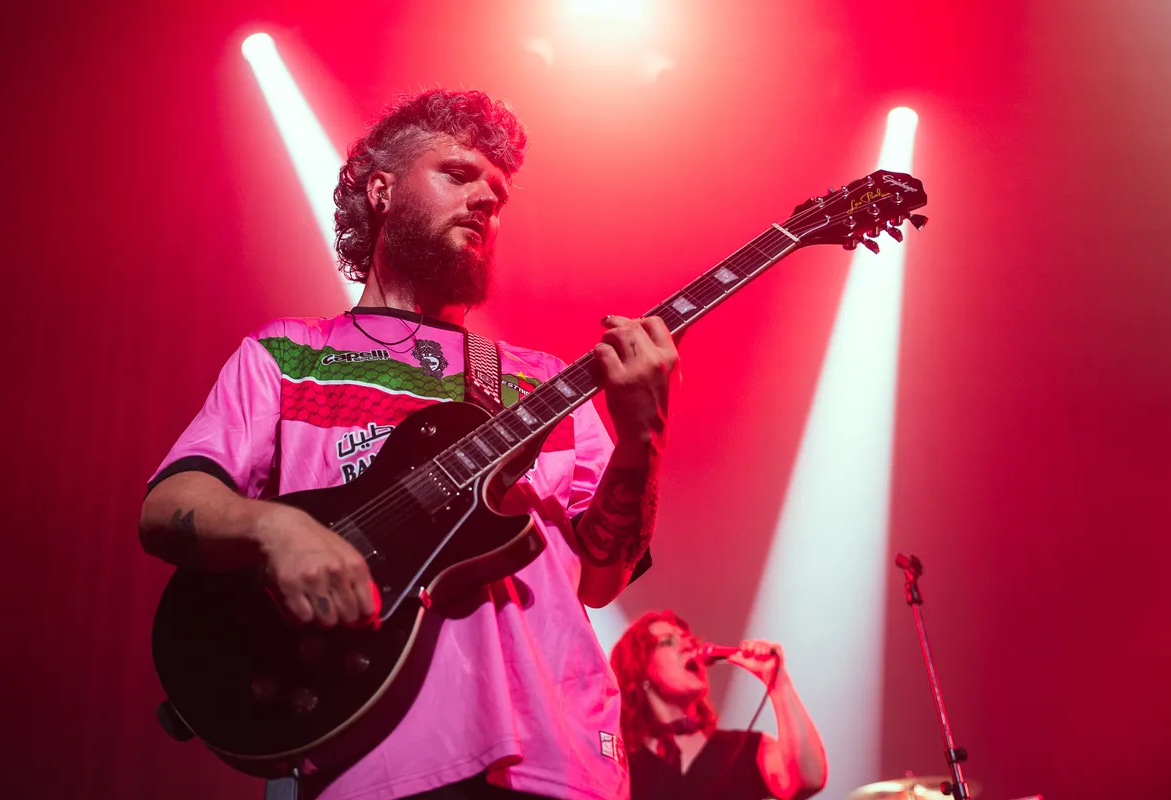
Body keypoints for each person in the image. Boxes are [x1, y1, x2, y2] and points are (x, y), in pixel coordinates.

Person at [138, 88, 679, 800]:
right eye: (457, 174)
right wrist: (275, 529)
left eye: (498, 194)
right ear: (382, 190)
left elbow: (600, 579)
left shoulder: (543, 381)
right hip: (377, 748)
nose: (485, 199)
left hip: (559, 753)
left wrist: (642, 437)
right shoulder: (289, 354)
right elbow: (168, 506)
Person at [610, 611, 828, 800]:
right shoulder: (622, 762)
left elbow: (808, 780)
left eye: (688, 639)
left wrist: (778, 681)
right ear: (639, 668)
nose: (689, 645)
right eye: (668, 641)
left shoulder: (746, 748)